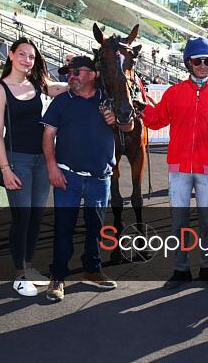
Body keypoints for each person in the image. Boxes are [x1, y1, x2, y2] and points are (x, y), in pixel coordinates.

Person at [140, 37, 208, 290]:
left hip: (207, 167)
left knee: (207, 221)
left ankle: (207, 268)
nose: (203, 66)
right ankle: (180, 270)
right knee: (179, 221)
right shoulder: (174, 93)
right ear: (188, 63)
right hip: (179, 167)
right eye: (198, 61)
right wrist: (142, 109)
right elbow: (157, 120)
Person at [41, 56, 132, 302]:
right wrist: (52, 167)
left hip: (100, 177)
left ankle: (92, 270)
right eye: (68, 73)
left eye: (77, 71)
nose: (71, 76)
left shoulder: (108, 100)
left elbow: (129, 127)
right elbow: (48, 135)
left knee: (96, 228)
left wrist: (118, 121)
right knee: (63, 227)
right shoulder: (62, 101)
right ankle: (58, 276)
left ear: (93, 74)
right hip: (67, 175)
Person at [0, 37, 68, 297]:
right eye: (22, 54)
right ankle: (20, 274)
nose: (27, 60)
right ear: (10, 55)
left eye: (31, 57)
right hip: (17, 160)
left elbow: (56, 89)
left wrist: (81, 81)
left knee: (35, 216)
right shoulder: (0, 90)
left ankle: (29, 267)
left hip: (41, 160)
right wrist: (5, 169)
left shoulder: (36, 83)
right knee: (21, 217)